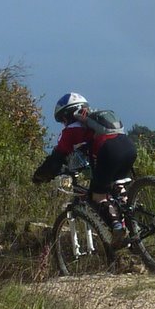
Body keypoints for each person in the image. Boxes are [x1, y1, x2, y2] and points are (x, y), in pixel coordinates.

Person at [33, 92, 137, 241]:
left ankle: (117, 228)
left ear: (65, 116)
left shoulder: (70, 131)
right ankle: (135, 229)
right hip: (128, 147)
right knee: (118, 188)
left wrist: (39, 176)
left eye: (62, 120)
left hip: (108, 152)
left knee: (97, 196)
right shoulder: (94, 124)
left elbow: (56, 159)